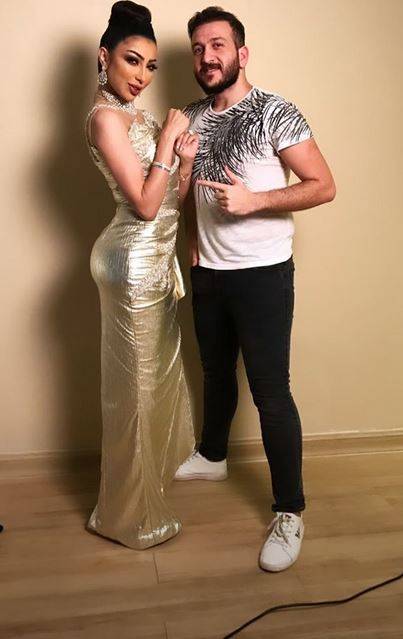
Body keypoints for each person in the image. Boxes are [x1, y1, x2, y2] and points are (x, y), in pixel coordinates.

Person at [175, 6, 336, 571]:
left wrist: (255, 201)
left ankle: (290, 511)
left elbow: (323, 185)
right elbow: (185, 192)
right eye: (198, 48)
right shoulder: (190, 117)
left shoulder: (275, 112)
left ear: (242, 53)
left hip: (263, 274)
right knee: (216, 372)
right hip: (209, 273)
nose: (207, 57)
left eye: (218, 45)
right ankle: (213, 454)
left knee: (270, 392)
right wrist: (192, 244)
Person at [85, 1, 198, 549]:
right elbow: (147, 207)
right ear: (104, 57)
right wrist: (169, 139)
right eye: (132, 60)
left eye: (151, 66)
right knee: (133, 392)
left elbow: (173, 197)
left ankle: (144, 496)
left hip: (155, 263)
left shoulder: (143, 118)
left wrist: (185, 156)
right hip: (130, 263)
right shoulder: (105, 119)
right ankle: (127, 517)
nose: (142, 76)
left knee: (150, 386)